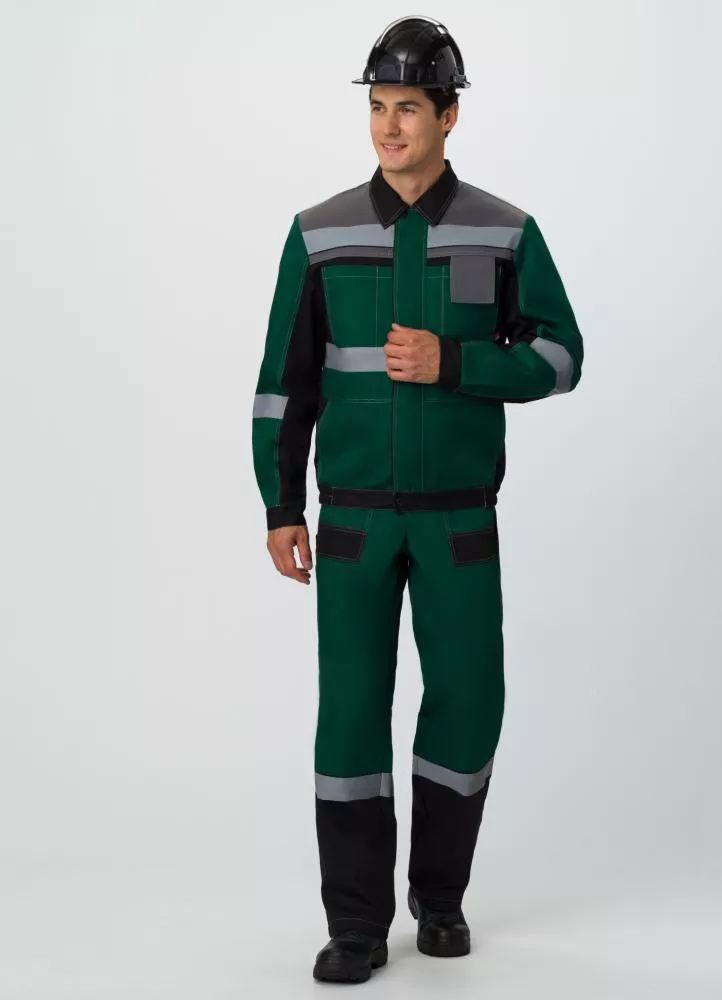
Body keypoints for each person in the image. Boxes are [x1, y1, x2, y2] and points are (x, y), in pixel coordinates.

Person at [251, 14, 584, 984]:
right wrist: (281, 505)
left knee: (469, 703)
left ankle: (440, 901)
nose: (388, 127)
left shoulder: (505, 230)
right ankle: (356, 926)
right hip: (352, 521)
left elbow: (562, 355)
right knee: (351, 714)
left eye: (407, 108)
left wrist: (459, 362)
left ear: (449, 116)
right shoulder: (318, 234)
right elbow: (283, 384)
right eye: (378, 107)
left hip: (458, 519)